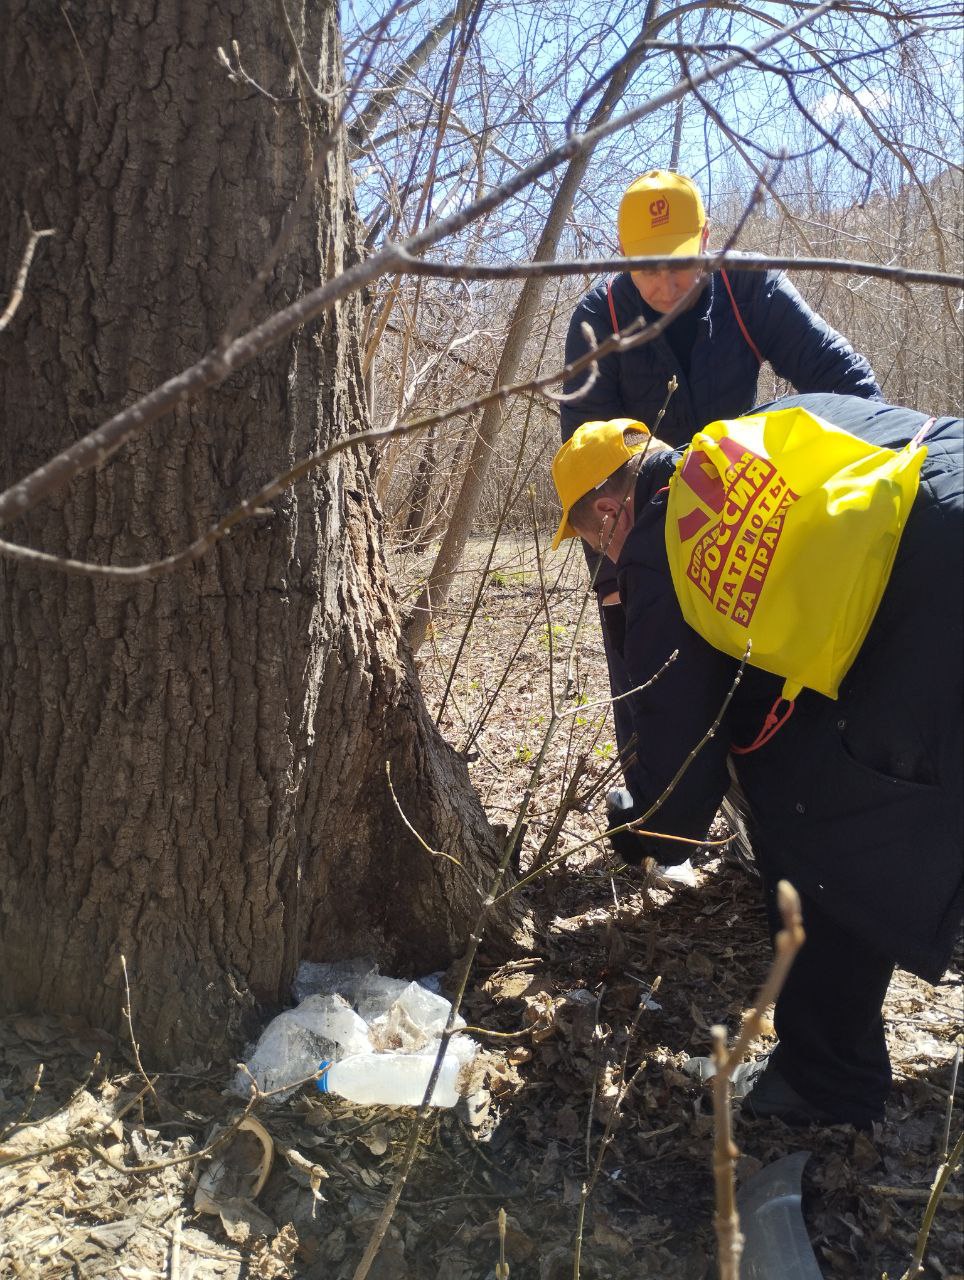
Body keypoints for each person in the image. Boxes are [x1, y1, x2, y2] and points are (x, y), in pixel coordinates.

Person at [550, 393, 963, 1128]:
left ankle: (825, 1082)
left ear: (610, 513)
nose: (601, 555)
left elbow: (678, 797)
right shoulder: (748, 433)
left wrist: (634, 822)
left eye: (589, 535)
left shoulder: (661, 538)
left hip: (933, 586)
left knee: (823, 830)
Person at [560, 170, 881, 765]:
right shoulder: (596, 317)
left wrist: (873, 465)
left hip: (743, 510)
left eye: (682, 260)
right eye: (647, 264)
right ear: (623, 253)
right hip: (643, 530)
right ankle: (657, 829)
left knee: (752, 673)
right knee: (648, 680)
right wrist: (615, 581)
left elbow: (845, 379)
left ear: (707, 237)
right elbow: (586, 465)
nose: (666, 282)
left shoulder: (746, 285)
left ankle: (754, 806)